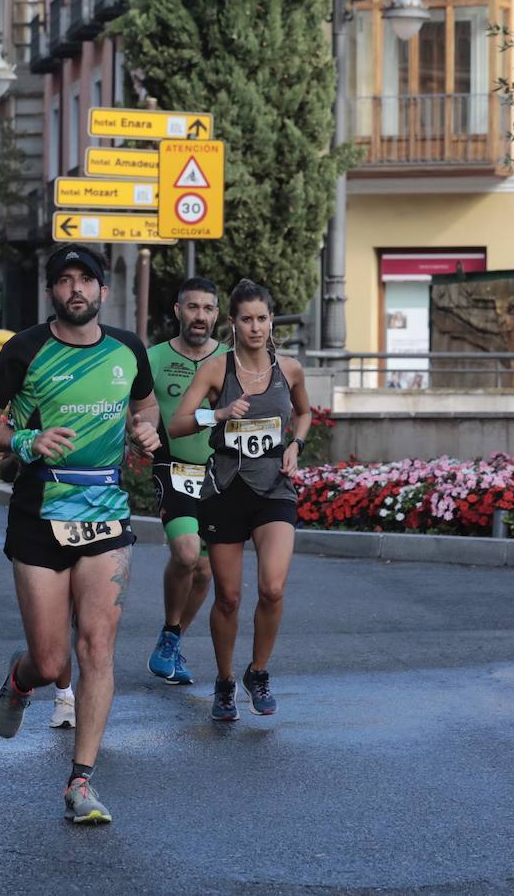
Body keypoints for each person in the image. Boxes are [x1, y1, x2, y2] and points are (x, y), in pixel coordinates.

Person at [0, 246, 159, 825]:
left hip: (105, 507)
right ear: (52, 292)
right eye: (64, 281)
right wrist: (26, 442)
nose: (76, 289)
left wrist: (144, 432)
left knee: (97, 647)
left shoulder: (128, 349)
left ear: (102, 291)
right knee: (53, 661)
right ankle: (20, 679)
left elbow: (145, 406)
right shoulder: (26, 349)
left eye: (86, 280)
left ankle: (81, 782)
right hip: (39, 510)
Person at [168, 279, 311, 722]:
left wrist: (297, 445)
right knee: (227, 597)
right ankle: (226, 681)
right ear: (232, 323)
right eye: (246, 319)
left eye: (262, 319)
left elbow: (304, 413)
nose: (255, 327)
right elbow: (176, 424)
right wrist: (220, 413)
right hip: (226, 488)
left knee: (272, 587)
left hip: (274, 488)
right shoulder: (216, 370)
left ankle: (259, 672)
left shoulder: (289, 369)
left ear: (271, 322)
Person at [146, 277, 226, 686]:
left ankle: (171, 638)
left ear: (217, 314)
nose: (200, 316)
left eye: (208, 309)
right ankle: (170, 637)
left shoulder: (232, 358)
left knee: (207, 572)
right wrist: (138, 431)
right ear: (178, 311)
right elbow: (133, 407)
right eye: (192, 307)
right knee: (186, 553)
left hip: (221, 474)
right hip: (172, 466)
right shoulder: (155, 357)